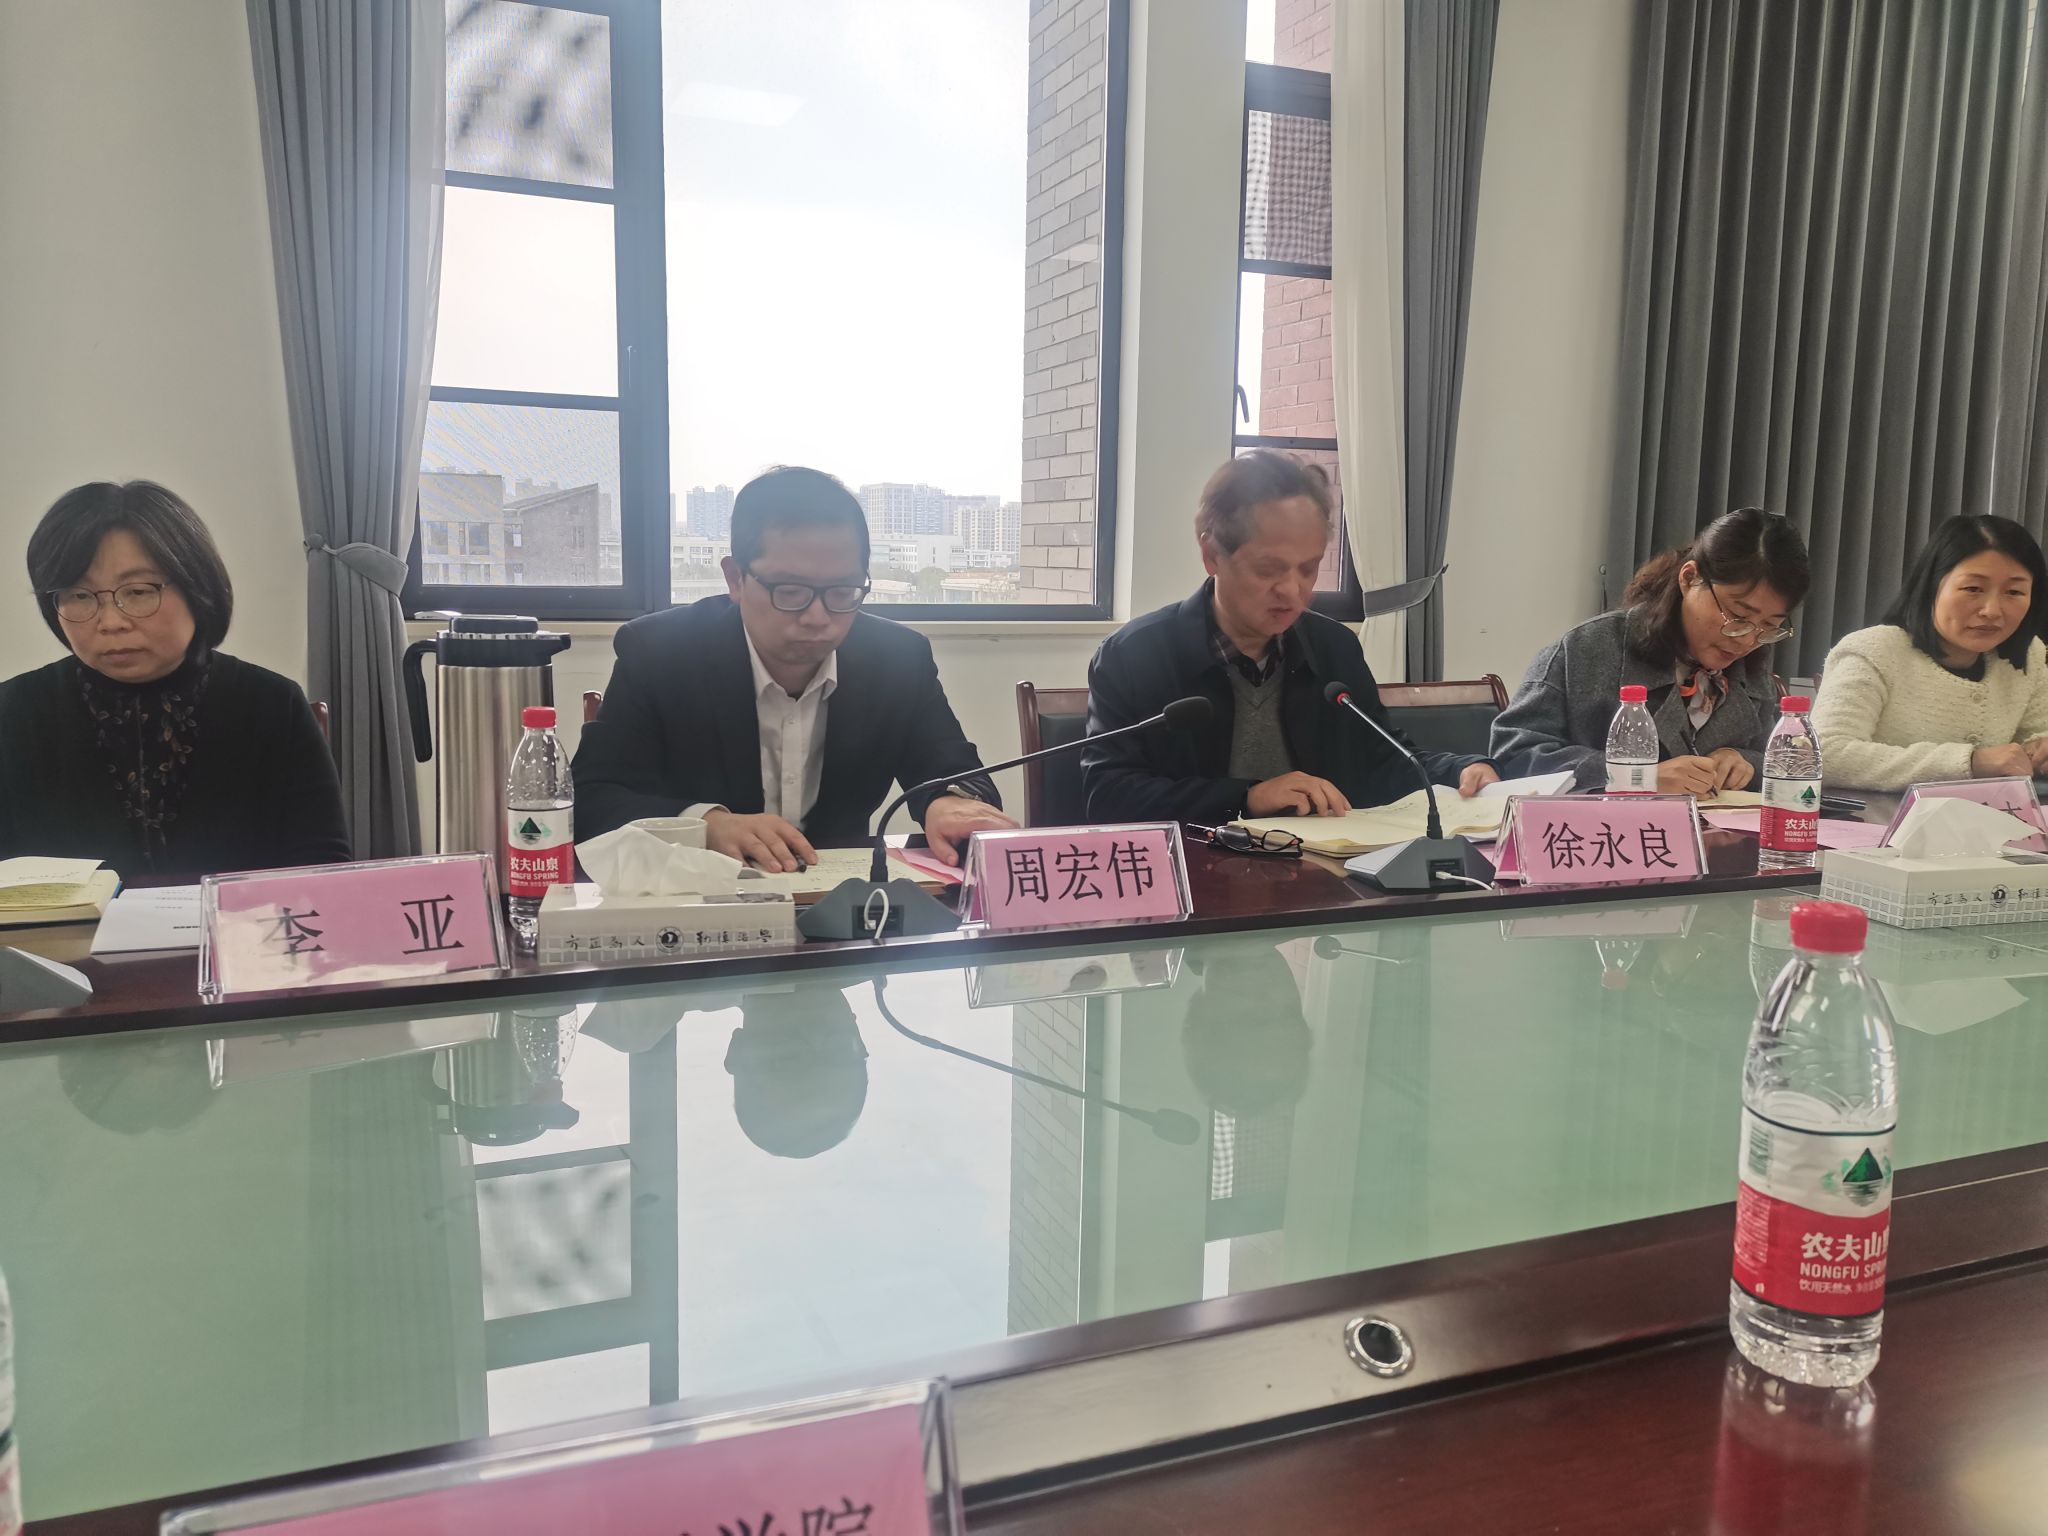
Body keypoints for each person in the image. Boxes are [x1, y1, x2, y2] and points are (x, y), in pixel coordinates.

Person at [574, 466, 1013, 869]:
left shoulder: (898, 658)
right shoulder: (661, 653)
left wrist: (948, 802)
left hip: (839, 902)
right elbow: (592, 800)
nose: (818, 617)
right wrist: (706, 824)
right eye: (790, 590)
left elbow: (956, 773)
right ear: (735, 578)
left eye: (842, 591)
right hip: (700, 900)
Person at [1080, 451, 1499, 825]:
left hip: (1324, 871)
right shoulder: (1134, 656)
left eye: (1308, 569)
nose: (1292, 591)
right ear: (1211, 555)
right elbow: (1109, 797)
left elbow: (1383, 761)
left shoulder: (1334, 647)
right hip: (1196, 874)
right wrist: (1247, 798)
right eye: (1268, 570)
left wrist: (1459, 771)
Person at [0, 481, 350, 878]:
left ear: (197, 589)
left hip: (243, 921)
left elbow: (323, 866)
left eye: (138, 591)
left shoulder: (272, 704)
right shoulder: (14, 712)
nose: (111, 622)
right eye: (79, 596)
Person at [1491, 508, 1811, 793]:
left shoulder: (1750, 671)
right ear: (1690, 578)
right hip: (1604, 836)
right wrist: (1636, 777)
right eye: (1737, 616)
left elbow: (1779, 759)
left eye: (1769, 626)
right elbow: (1515, 754)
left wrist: (1745, 762)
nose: (1746, 640)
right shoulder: (1587, 650)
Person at [1812, 515, 2048, 790]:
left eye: (2015, 592)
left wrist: (2040, 750)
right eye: (1973, 589)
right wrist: (1970, 762)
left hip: (1989, 815)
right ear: (1932, 586)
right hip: (1876, 816)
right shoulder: (1873, 651)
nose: (1992, 610)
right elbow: (1824, 753)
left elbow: (2035, 734)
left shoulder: (2029, 654)